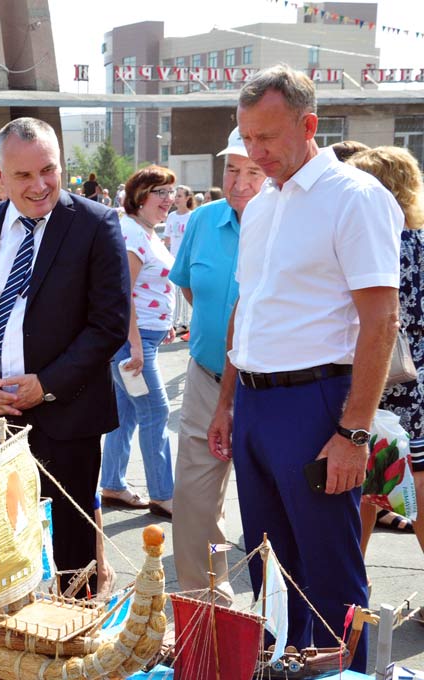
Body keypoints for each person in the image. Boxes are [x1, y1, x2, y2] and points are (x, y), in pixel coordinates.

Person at [207, 65, 402, 672]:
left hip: (319, 404)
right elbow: (249, 307)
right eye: (246, 139)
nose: (255, 153)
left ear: (309, 124)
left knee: (329, 570)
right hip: (257, 407)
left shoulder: (356, 197)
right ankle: (283, 668)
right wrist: (226, 402)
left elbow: (381, 322)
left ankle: (347, 674)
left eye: (267, 138)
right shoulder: (263, 203)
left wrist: (353, 434)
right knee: (268, 566)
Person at [0, 117, 130, 584]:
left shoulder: (96, 224)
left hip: (69, 417)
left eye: (48, 170)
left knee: (73, 552)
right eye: (23, 175)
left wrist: (45, 386)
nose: (40, 185)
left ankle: (75, 641)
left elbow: (109, 325)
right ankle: (4, 641)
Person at [169, 127, 267, 601]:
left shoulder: (289, 223)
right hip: (207, 378)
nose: (240, 181)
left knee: (270, 506)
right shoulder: (203, 221)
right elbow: (189, 287)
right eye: (232, 168)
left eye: (253, 170)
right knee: (194, 500)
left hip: (272, 390)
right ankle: (203, 607)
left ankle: (283, 622)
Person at [345, 146, 424, 557]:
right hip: (418, 383)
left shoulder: (368, 246)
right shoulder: (420, 243)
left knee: (360, 487)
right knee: (420, 485)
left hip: (368, 377)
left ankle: (351, 590)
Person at [99, 166, 177, 519]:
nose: (169, 199)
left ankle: (112, 485)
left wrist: (165, 324)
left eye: (170, 192)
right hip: (133, 343)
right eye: (160, 192)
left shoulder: (146, 232)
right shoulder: (132, 233)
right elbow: (123, 294)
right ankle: (164, 495)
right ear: (140, 196)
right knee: (155, 413)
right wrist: (134, 346)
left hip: (142, 338)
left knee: (125, 415)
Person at [165, 184, 195, 332]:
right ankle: (176, 321)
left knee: (183, 290)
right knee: (174, 289)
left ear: (187, 198)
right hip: (173, 257)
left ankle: (183, 322)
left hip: (187, 258)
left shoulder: (192, 216)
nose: (176, 199)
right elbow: (167, 239)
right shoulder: (171, 216)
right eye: (175, 195)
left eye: (180, 196)